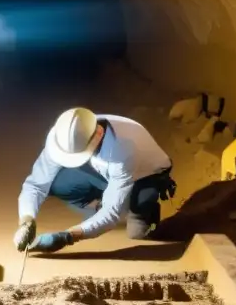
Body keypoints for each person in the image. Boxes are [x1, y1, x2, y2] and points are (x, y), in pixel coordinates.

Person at [13, 107, 176, 253]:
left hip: (146, 175)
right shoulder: (64, 137)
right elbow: (35, 185)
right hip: (103, 169)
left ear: (99, 135)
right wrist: (26, 220)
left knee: (136, 233)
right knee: (60, 184)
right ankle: (102, 206)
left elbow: (111, 213)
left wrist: (68, 237)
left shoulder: (123, 150)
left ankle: (145, 210)